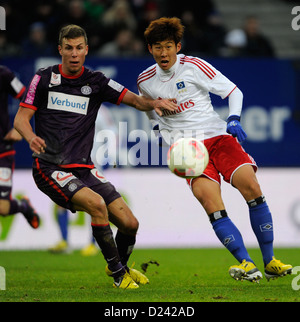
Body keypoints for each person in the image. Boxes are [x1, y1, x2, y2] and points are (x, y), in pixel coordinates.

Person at [14, 24, 177, 289]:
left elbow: (135, 100)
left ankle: (121, 265)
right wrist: (31, 137)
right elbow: (21, 119)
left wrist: (155, 103)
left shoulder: (96, 81)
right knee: (97, 205)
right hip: (49, 166)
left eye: (79, 48)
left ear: (86, 50)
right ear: (60, 50)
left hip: (84, 169)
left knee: (129, 223)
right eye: (68, 48)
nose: (74, 54)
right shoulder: (43, 79)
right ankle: (118, 275)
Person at [137, 17, 292, 283]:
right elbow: (151, 112)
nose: (163, 53)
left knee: (252, 189)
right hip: (187, 150)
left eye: (168, 46)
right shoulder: (145, 81)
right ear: (150, 49)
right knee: (212, 205)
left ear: (178, 46)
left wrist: (233, 119)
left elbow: (234, 92)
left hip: (218, 137)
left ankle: (270, 261)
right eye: (157, 47)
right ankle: (246, 263)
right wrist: (161, 135)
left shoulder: (194, 66)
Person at [0, 65, 40, 229]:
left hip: (2, 149)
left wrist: (19, 128)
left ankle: (24, 206)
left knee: (2, 208)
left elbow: (28, 98)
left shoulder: (4, 74)